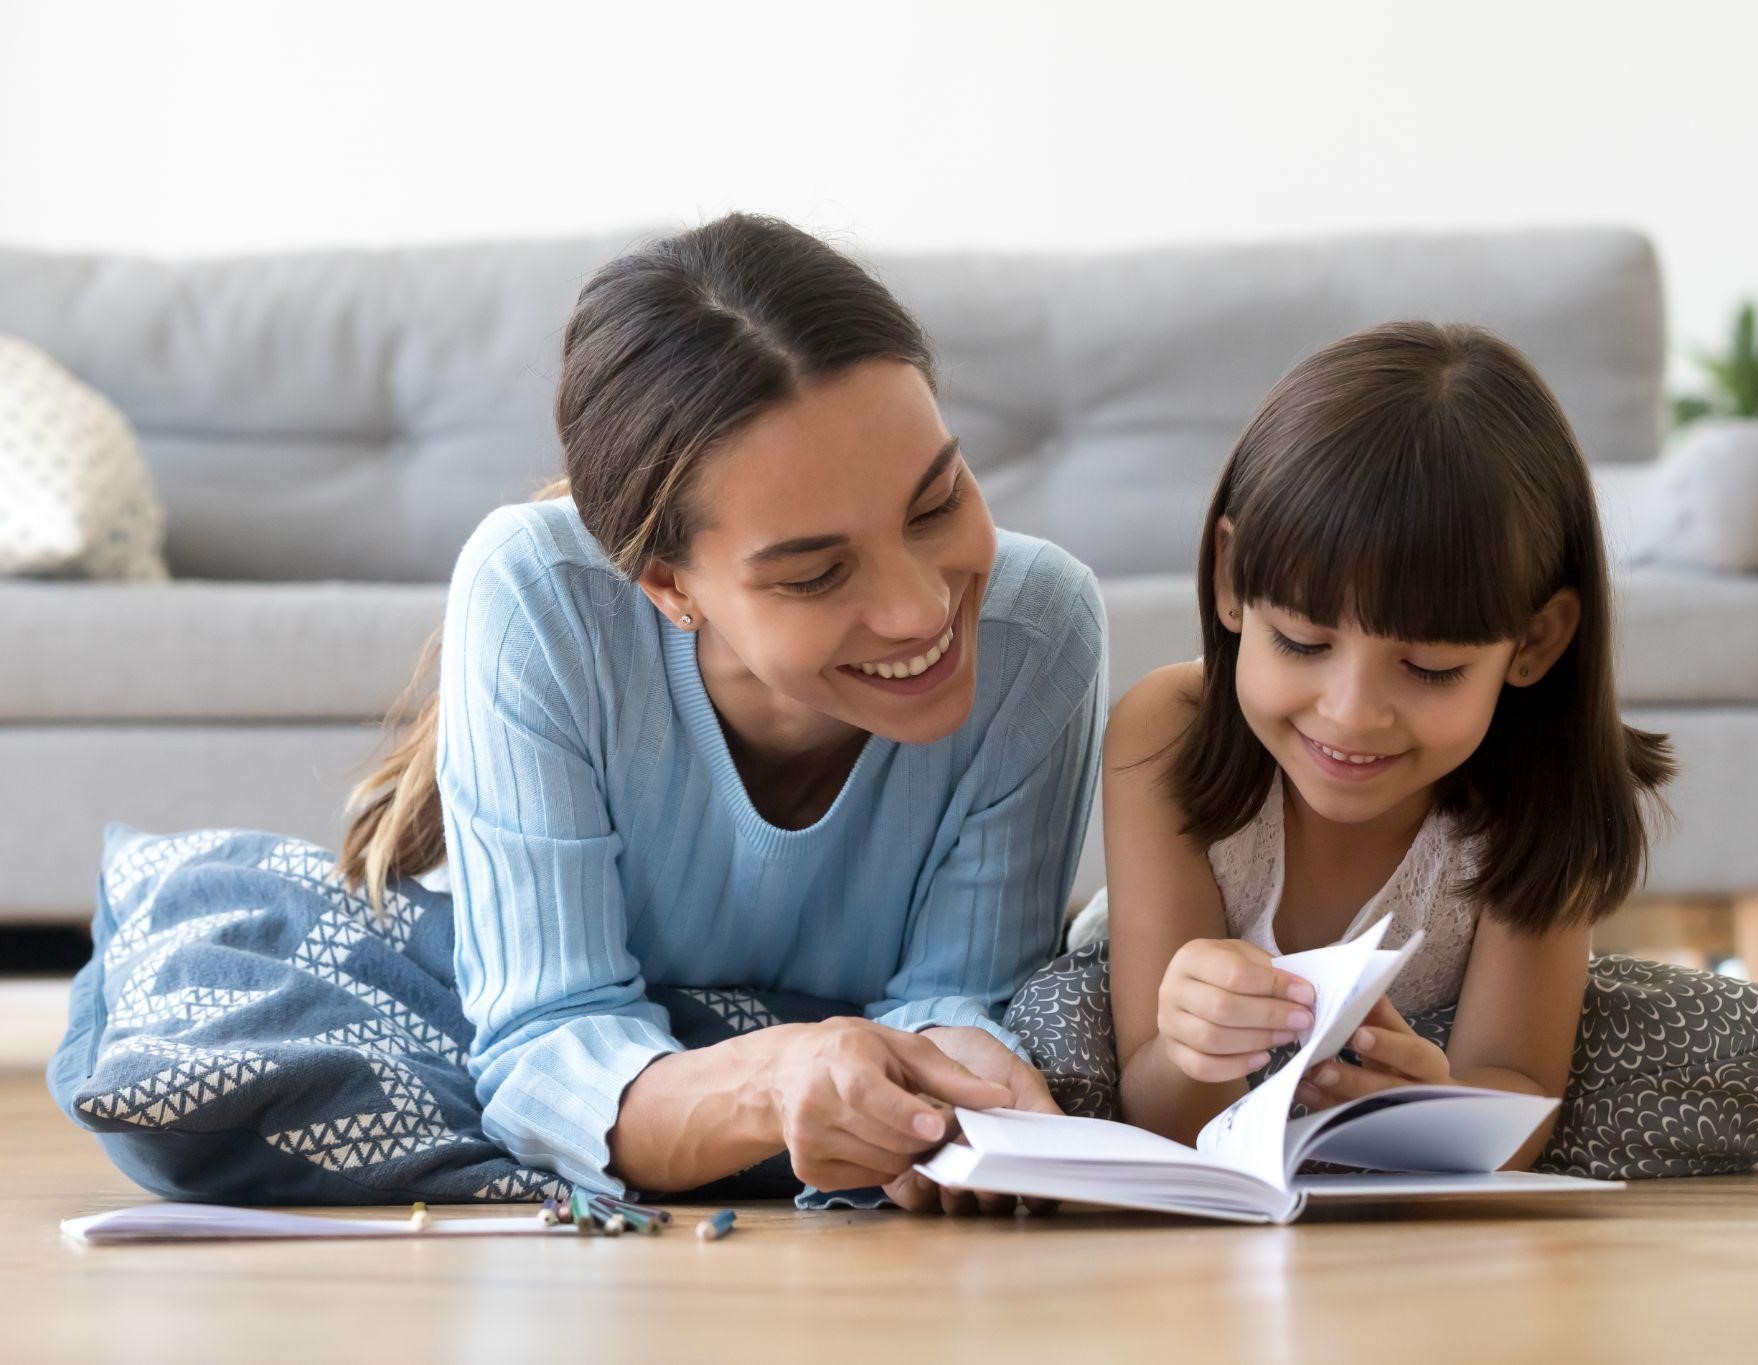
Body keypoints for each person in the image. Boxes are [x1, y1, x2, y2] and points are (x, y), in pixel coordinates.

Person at [340, 214, 1105, 1212]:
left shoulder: (1036, 628)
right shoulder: (538, 598)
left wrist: (949, 1073)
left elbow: (958, 994)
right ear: (669, 586)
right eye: (818, 572)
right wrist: (776, 1078)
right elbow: (544, 1043)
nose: (923, 608)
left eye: (936, 502)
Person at [1102, 322, 1672, 1165]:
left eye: (1430, 667)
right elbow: (1154, 1110)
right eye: (1300, 641)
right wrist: (1194, 1047)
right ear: (1231, 581)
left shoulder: (1544, 797)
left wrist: (1429, 1107)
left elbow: (1516, 1092)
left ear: (1534, 643)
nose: (1352, 713)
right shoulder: (1169, 732)